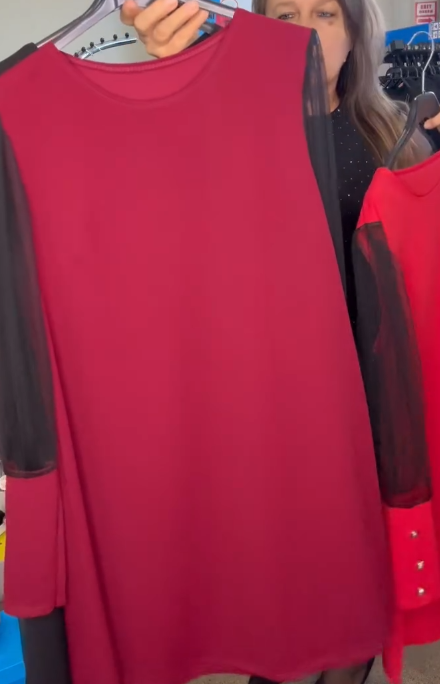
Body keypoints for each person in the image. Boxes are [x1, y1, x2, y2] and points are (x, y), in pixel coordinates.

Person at [119, 1, 440, 683]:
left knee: (359, 592)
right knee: (280, 594)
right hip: (270, 409)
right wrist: (168, 81)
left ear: (356, 32)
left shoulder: (394, 132)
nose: (303, 32)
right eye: (285, 13)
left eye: (325, 13)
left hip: (373, 410)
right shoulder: (229, 129)